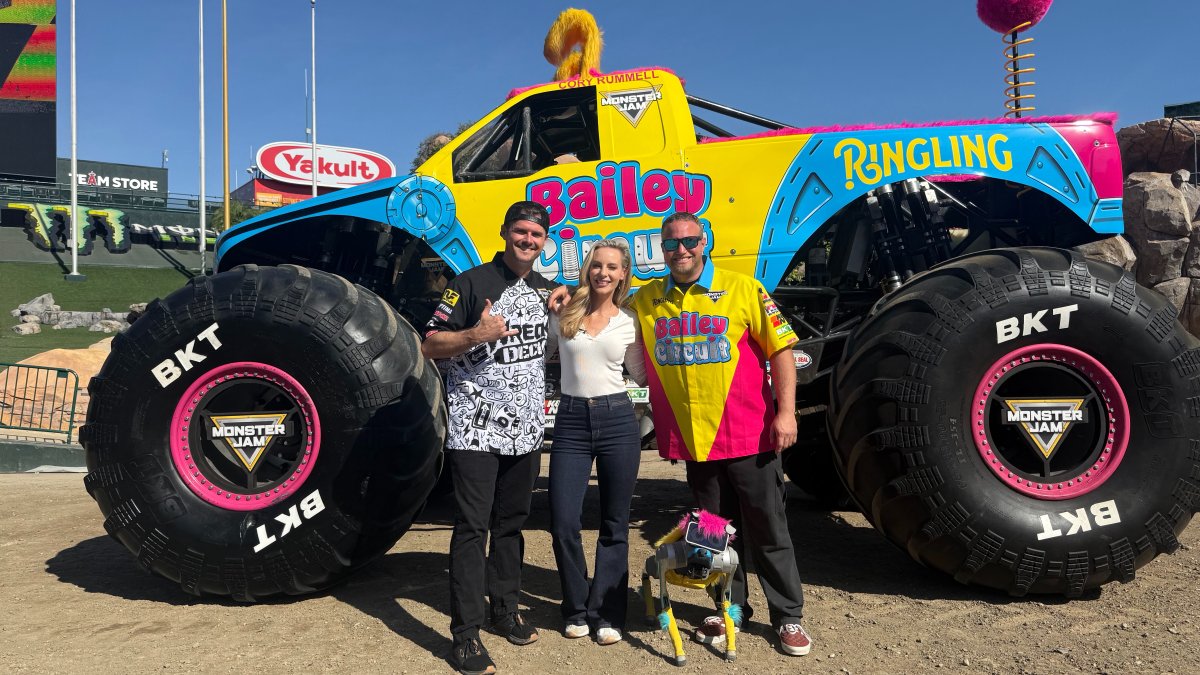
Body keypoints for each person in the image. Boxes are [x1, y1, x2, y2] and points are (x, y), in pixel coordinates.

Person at [550, 212, 812, 656]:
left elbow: (782, 350)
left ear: (704, 240)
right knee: (712, 532)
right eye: (671, 244)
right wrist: (560, 292)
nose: (681, 250)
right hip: (696, 441)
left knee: (767, 526)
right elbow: (600, 302)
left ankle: (787, 615)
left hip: (751, 434)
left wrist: (786, 413)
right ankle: (728, 607)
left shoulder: (744, 288)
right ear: (662, 251)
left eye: (689, 240)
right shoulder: (648, 299)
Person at [422, 201, 558, 675]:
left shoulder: (546, 290)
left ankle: (505, 610)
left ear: (545, 241)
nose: (527, 240)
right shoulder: (471, 283)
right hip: (475, 427)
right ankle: (465, 636)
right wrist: (477, 333)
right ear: (505, 233)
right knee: (472, 528)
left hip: (525, 429)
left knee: (511, 525)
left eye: (536, 235)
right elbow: (430, 343)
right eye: (520, 232)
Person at [544, 239, 646, 647]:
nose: (603, 272)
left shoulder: (630, 322)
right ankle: (575, 607)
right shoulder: (564, 314)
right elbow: (537, 355)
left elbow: (642, 373)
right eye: (597, 265)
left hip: (619, 420)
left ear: (623, 274)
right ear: (588, 270)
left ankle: (606, 612)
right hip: (569, 421)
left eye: (612, 267)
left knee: (614, 523)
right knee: (564, 521)